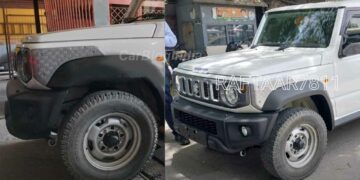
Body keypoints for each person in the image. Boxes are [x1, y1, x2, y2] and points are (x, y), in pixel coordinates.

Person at [165, 22, 190, 145]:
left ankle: (178, 131)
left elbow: (172, 41)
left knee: (165, 99)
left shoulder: (159, 23)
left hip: (157, 62)